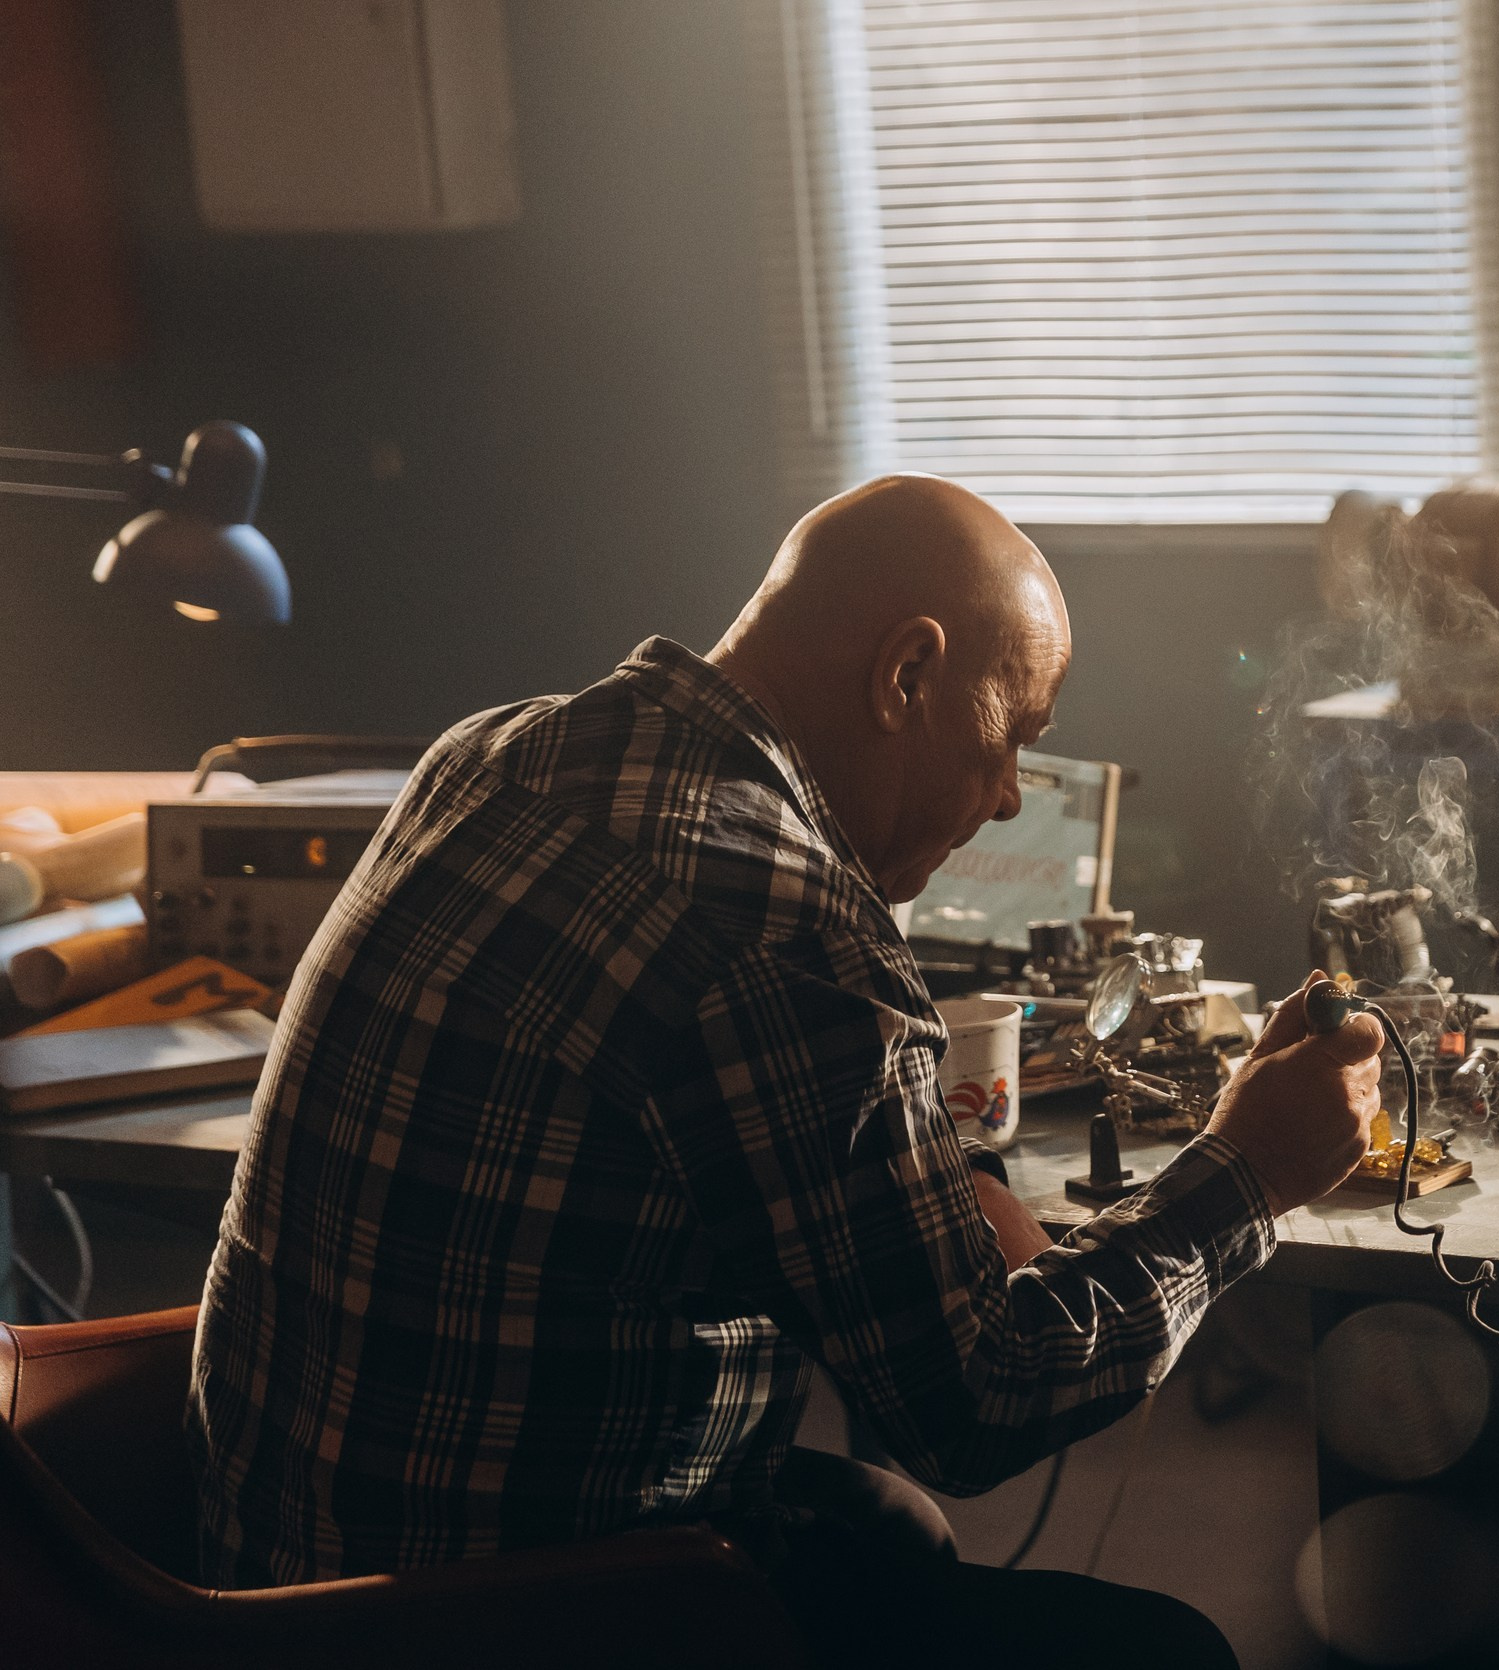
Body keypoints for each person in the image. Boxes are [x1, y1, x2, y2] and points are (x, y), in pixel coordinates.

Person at [188, 475, 1386, 1667]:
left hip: (276, 1560)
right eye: (1014, 734)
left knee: (890, 1526)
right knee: (1163, 1647)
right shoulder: (781, 925)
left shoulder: (496, 745)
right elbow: (980, 1404)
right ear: (907, 674)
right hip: (494, 1617)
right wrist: (1249, 1170)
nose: (1013, 792)